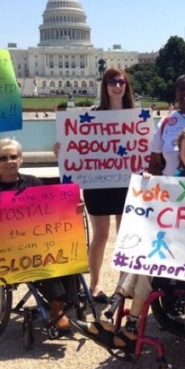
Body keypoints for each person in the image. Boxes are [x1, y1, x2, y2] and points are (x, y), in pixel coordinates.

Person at [72, 129, 185, 349]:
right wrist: (148, 186)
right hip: (179, 248)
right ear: (180, 155)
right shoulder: (176, 180)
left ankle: (125, 320)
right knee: (142, 259)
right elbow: (160, 211)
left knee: (148, 265)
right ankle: (122, 319)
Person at [0, 138, 79, 330]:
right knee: (40, 261)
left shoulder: (34, 183)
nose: (9, 161)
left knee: (67, 256)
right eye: (3, 158)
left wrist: (73, 209)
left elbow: (53, 211)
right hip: (3, 250)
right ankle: (57, 308)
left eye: (13, 157)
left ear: (21, 159)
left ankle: (61, 306)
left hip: (34, 242)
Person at [77, 68, 137, 303]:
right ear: (105, 86)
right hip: (99, 182)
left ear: (126, 85)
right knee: (100, 235)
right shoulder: (93, 115)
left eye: (121, 81)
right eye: (112, 82)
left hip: (126, 182)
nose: (117, 86)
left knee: (125, 236)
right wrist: (62, 150)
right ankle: (95, 284)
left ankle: (123, 285)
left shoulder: (135, 115)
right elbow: (79, 146)